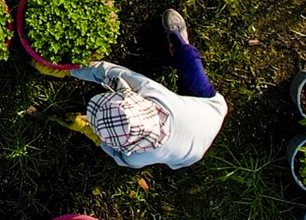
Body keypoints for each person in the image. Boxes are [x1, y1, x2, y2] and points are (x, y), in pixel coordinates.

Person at [58, 10, 227, 170]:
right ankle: (178, 42)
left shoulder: (136, 158)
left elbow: (118, 157)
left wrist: (88, 129)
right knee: (188, 59)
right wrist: (69, 69)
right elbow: (106, 71)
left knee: (189, 66)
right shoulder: (150, 92)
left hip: (192, 153)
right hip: (209, 107)